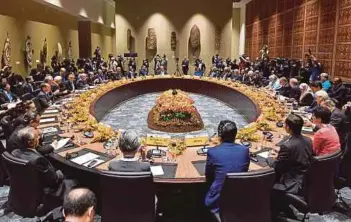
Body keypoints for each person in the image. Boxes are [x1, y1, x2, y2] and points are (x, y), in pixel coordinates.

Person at [11, 127, 76, 212]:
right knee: (74, 180)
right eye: (37, 137)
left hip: (25, 192)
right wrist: (62, 171)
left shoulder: (15, 152)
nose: (39, 138)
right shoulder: (37, 160)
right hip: (46, 193)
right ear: (31, 142)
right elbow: (54, 180)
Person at [205, 120, 250, 214]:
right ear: (235, 134)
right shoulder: (244, 150)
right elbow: (244, 171)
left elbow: (208, 176)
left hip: (217, 201)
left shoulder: (213, 152)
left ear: (219, 135)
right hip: (240, 198)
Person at [269, 114, 312, 194]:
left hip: (292, 183)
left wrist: (270, 158)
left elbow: (278, 168)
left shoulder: (287, 146)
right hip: (306, 179)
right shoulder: (308, 140)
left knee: (262, 184)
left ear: (288, 127)